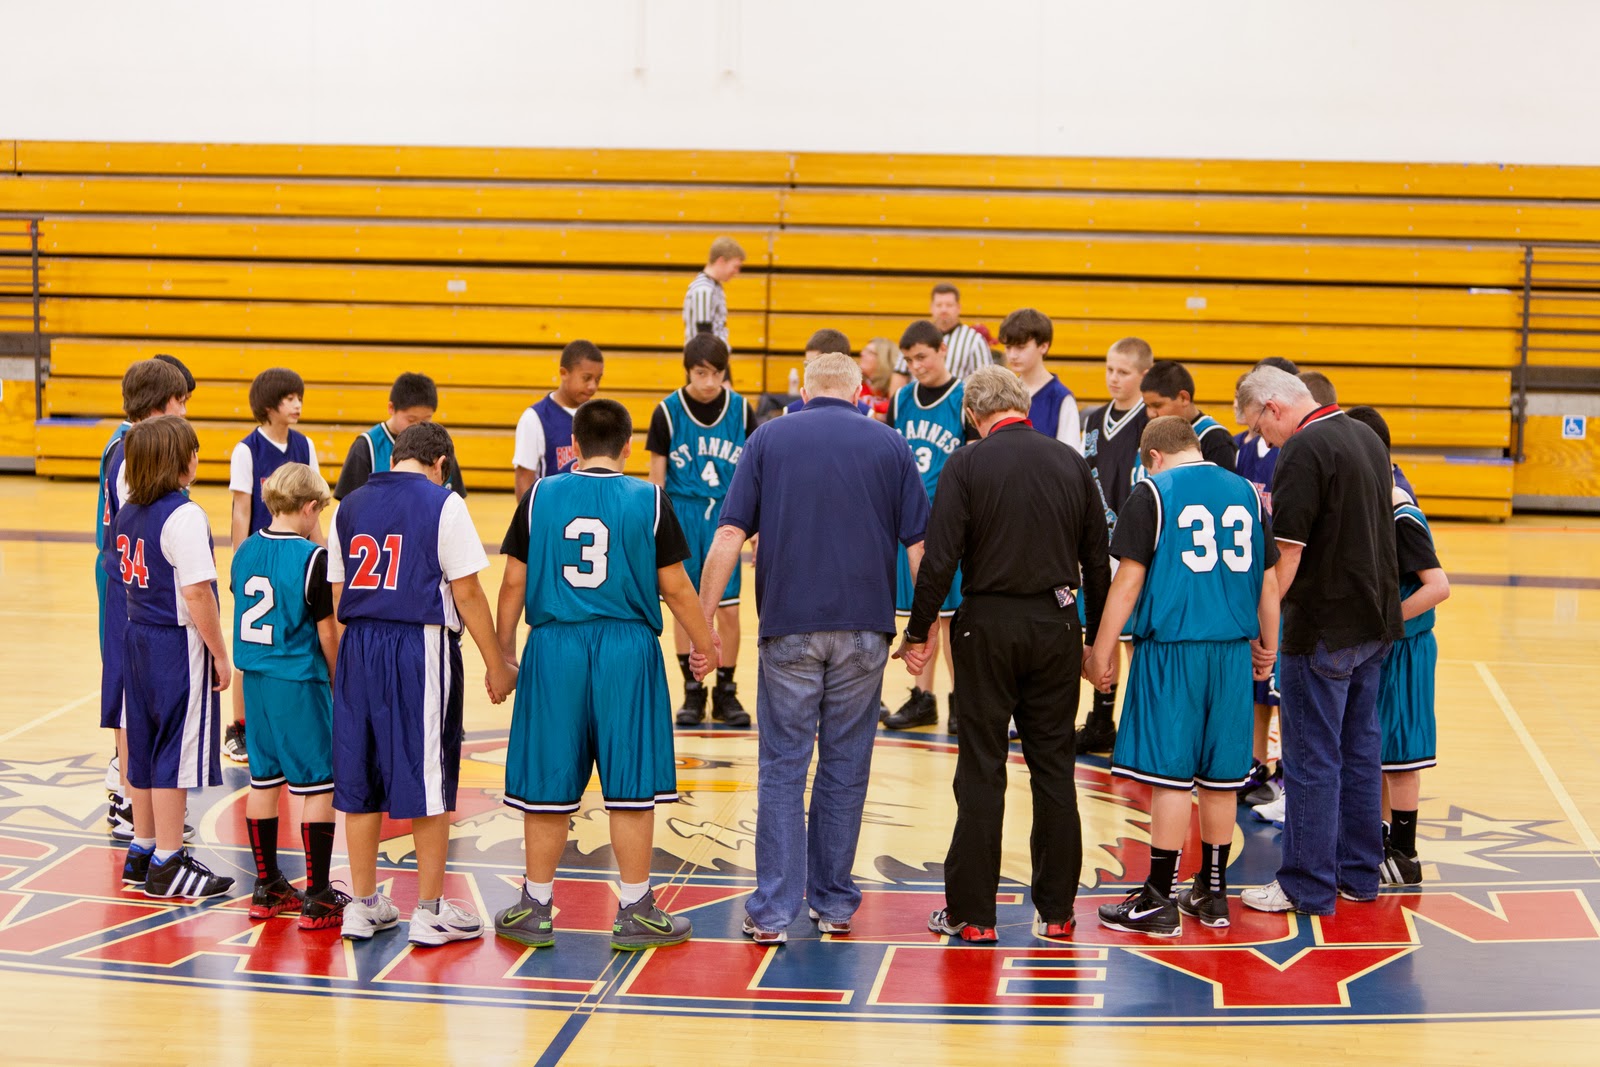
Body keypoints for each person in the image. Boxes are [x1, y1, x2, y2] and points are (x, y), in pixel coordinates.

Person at [696, 352, 929, 944]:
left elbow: (728, 535)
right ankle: (834, 903)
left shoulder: (770, 437)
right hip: (865, 629)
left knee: (782, 767)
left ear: (803, 389)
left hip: (789, 626)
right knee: (846, 767)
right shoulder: (891, 444)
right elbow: (920, 547)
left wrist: (704, 626)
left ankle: (773, 911)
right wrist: (922, 632)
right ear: (859, 392)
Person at [493, 399, 718, 951]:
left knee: (547, 783)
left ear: (572, 441)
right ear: (628, 446)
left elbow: (513, 585)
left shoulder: (539, 495)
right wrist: (704, 644)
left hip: (552, 646)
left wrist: (503, 657)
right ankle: (636, 907)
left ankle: (536, 907)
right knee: (631, 786)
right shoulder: (650, 498)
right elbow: (677, 588)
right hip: (627, 648)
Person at [899, 365, 1110, 943]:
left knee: (982, 770)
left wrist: (918, 633)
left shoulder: (965, 462)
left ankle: (973, 917)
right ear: (1024, 405)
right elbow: (1097, 561)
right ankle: (1059, 913)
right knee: (1053, 768)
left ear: (972, 415)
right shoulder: (1071, 462)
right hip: (1057, 624)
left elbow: (940, 559)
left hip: (986, 626)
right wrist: (1098, 642)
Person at [1087, 417, 1279, 935]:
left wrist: (1101, 650)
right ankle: (1212, 895)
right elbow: (1267, 580)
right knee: (1220, 779)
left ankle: (1157, 896)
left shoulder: (1153, 491)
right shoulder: (1244, 490)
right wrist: (1269, 645)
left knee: (1168, 776)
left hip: (1173, 651)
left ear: (1152, 456)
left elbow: (1127, 581)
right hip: (1232, 653)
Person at [329, 422, 517, 945]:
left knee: (360, 780)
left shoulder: (348, 505)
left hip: (359, 645)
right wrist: (497, 663)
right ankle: (430, 909)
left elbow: (338, 591)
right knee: (428, 779)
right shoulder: (443, 502)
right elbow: (468, 592)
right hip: (418, 646)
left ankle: (363, 904)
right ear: (440, 463)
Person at [1232, 367, 1403, 916]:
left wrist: (1262, 627)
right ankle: (1359, 874)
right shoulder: (1366, 436)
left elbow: (1290, 553)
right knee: (1359, 752)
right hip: (1373, 622)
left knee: (1310, 758)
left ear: (1274, 408)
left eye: (1259, 427)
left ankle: (1305, 883)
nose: (1263, 439)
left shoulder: (1303, 451)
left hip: (1323, 628)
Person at [113, 415, 234, 899]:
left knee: (141, 745)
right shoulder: (184, 516)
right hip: (175, 643)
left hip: (136, 636)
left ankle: (142, 849)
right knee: (174, 752)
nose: (198, 458)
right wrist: (220, 655)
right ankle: (168, 859)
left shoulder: (126, 511)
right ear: (176, 461)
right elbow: (198, 593)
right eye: (193, 450)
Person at [231, 463, 347, 929]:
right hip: (298, 681)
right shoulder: (313, 558)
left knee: (264, 782)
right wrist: (341, 680)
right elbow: (328, 634)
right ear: (310, 507)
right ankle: (318, 895)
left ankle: (267, 886)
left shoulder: (244, 551)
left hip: (255, 681)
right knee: (318, 783)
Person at [1344, 406, 1451, 887]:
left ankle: (1405, 854)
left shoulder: (1399, 509)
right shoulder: (1374, 501)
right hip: (1386, 643)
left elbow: (1438, 586)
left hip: (1407, 646)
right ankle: (1383, 841)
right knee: (1380, 749)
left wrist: (1386, 619)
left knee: (1402, 752)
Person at [100, 358, 191, 842]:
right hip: (130, 584)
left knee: (135, 694)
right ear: (160, 405)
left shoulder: (130, 443)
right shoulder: (130, 452)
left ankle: (140, 804)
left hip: (130, 579)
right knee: (130, 696)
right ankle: (128, 800)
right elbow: (135, 520)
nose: (185, 412)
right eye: (181, 403)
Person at [646, 334, 757, 728]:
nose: (710, 382)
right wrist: (654, 528)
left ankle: (726, 690)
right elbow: (656, 480)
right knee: (683, 604)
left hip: (727, 517)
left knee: (728, 609)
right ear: (688, 371)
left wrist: (756, 527)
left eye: (717, 373)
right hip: (681, 516)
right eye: (701, 373)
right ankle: (692, 691)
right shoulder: (667, 411)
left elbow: (755, 473)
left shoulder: (742, 410)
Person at [225, 367, 321, 765]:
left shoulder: (305, 445)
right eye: (288, 398)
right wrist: (237, 564)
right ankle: (239, 727)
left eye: (299, 396)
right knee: (252, 641)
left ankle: (292, 720)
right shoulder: (247, 450)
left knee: (292, 642)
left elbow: (315, 508)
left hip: (296, 561)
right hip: (262, 555)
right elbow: (240, 511)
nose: (297, 404)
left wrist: (327, 557)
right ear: (268, 405)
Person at [884, 320, 970, 732]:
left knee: (953, 614)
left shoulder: (964, 396)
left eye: (922, 357)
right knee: (922, 609)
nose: (915, 366)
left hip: (951, 518)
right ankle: (923, 697)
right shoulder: (900, 399)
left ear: (942, 351)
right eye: (909, 359)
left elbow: (974, 459)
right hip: (911, 516)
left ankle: (960, 698)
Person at [1076, 336, 1154, 754]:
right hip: (1098, 545)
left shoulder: (1151, 421)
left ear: (1143, 375)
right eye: (1109, 369)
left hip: (1141, 547)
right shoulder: (1091, 418)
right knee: (1100, 632)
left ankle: (1137, 724)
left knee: (1132, 639)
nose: (1113, 378)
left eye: (1123, 372)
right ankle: (1100, 717)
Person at [1232, 356, 1299, 815]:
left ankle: (1285, 772)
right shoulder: (1242, 446)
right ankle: (1257, 761)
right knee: (1257, 682)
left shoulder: (1293, 447)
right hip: (1255, 573)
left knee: (1282, 685)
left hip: (1283, 576)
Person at [333, 372, 467, 501]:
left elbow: (455, 504)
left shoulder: (441, 447)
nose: (418, 426)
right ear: (391, 408)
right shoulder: (366, 447)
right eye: (411, 419)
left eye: (426, 419)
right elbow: (349, 506)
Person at [512, 340, 605, 498]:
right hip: (553, 516)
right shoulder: (534, 418)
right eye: (586, 378)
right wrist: (530, 519)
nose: (592, 386)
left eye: (597, 379)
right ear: (564, 373)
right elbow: (523, 479)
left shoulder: (598, 416)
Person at [1000, 307, 1080, 450]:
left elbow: (1070, 459)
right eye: (1008, 347)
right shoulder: (1002, 394)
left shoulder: (1061, 399)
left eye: (1020, 347)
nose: (1012, 355)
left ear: (1043, 346)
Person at [889, 283, 993, 391]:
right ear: (931, 308)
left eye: (949, 305)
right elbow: (900, 375)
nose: (943, 310)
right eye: (939, 305)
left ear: (958, 308)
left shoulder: (974, 340)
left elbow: (986, 382)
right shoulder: (915, 337)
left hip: (957, 403)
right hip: (917, 403)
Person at [1139, 360, 1238, 470]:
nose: (1151, 413)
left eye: (1157, 405)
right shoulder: (1147, 430)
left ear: (1183, 398)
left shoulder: (1216, 441)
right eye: (1147, 406)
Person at [782, 329, 873, 416]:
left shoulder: (866, 413)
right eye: (806, 365)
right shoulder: (791, 411)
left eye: (813, 366)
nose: (807, 370)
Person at [683, 236, 745, 348]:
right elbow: (704, 336)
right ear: (721, 261)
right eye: (735, 267)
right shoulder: (704, 289)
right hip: (705, 361)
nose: (736, 272)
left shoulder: (715, 286)